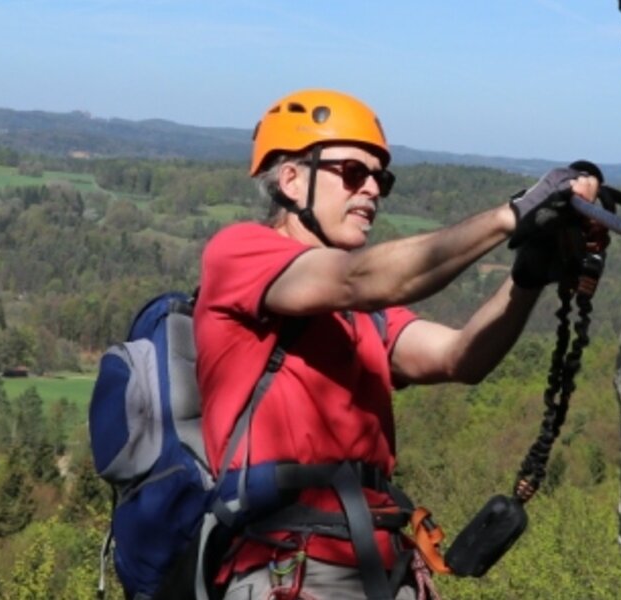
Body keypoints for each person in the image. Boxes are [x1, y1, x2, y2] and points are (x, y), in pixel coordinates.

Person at [192, 88, 599, 600]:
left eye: (380, 178)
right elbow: (359, 278)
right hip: (289, 562)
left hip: (381, 562)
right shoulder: (241, 254)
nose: (372, 191)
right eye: (352, 173)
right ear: (291, 180)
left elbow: (460, 357)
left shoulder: (365, 318)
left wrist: (527, 278)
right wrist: (510, 217)